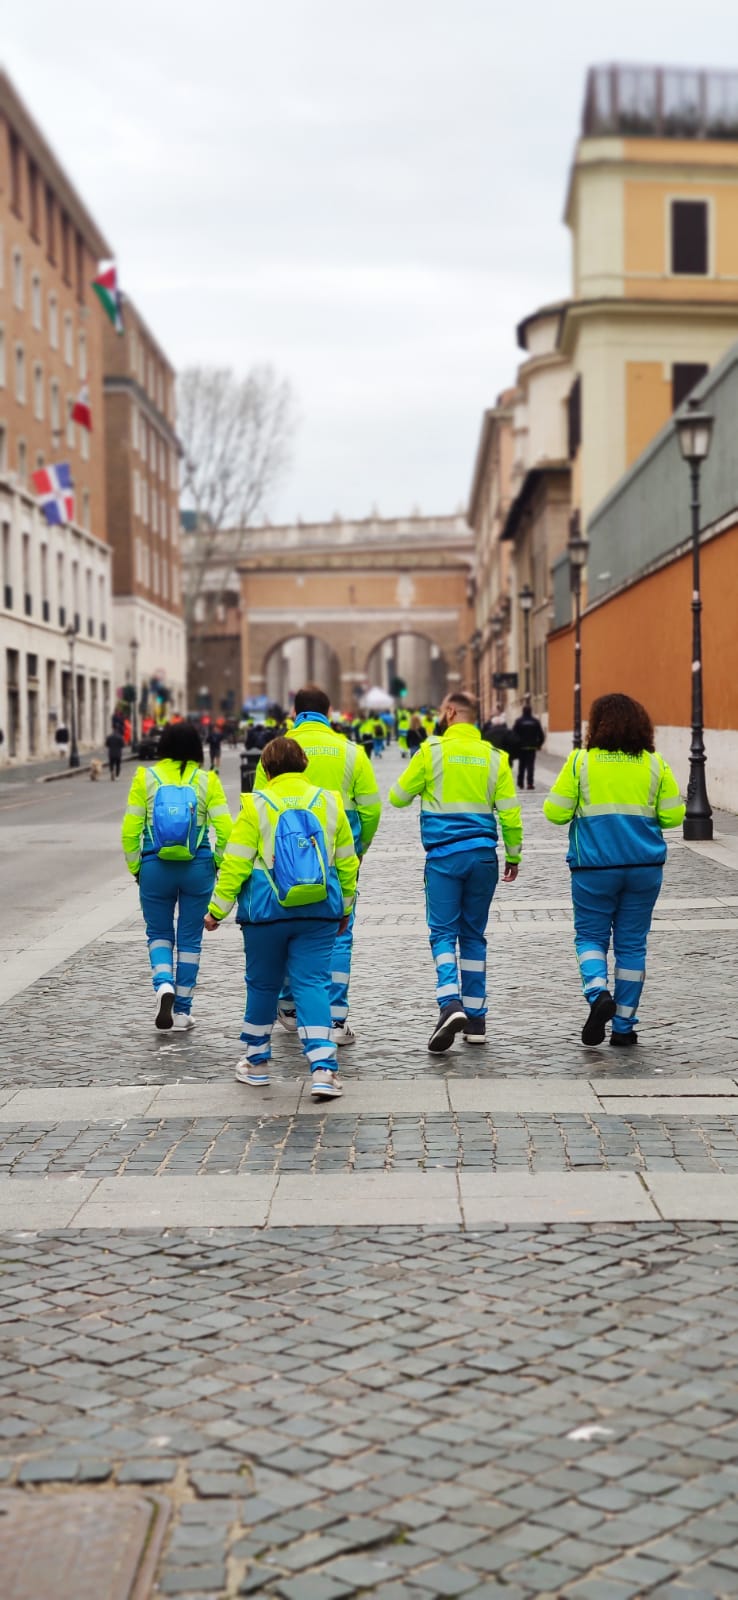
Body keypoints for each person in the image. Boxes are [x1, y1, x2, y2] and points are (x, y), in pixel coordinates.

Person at [205, 737, 359, 1100]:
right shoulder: (329, 802)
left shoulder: (256, 805)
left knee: (262, 985)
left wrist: (216, 910)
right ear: (304, 763)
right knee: (312, 985)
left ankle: (257, 1064)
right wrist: (346, 908)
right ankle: (323, 1070)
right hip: (319, 909)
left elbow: (236, 862)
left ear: (265, 769)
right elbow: (347, 862)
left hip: (266, 913)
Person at [543, 692, 685, 1048]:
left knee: (590, 938)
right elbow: (672, 816)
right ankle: (624, 1028)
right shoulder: (655, 764)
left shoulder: (581, 762)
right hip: (643, 868)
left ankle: (597, 993)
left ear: (597, 725)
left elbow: (554, 812)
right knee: (632, 946)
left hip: (594, 868)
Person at [389, 689, 522, 1052]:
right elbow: (509, 811)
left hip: (445, 857)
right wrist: (513, 854)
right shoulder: (495, 758)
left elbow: (398, 796)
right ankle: (476, 1021)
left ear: (449, 712)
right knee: (474, 936)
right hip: (483, 857)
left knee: (443, 933)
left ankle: (449, 1002)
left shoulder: (432, 753)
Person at [254, 683, 381, 1044]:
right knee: (339, 935)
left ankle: (289, 1008)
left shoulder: (274, 751)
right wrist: (358, 849)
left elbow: (260, 806)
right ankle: (337, 1021)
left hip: (285, 862)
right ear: (329, 713)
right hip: (336, 861)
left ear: (295, 713)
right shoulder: (352, 752)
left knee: (286, 930)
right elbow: (371, 808)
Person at [121, 721, 233, 1031]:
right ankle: (182, 1011)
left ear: (163, 747)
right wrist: (216, 863)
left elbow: (130, 830)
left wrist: (136, 868)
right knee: (190, 939)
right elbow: (226, 830)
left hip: (155, 866)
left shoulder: (145, 777)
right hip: (197, 866)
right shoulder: (208, 780)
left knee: (158, 932)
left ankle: (163, 983)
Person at [512, 701, 544, 790]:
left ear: (523, 711)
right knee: (530, 766)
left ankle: (520, 783)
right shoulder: (535, 722)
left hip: (521, 747)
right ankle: (530, 783)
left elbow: (513, 734)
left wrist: (515, 745)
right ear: (531, 711)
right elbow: (541, 734)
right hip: (532, 747)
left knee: (521, 765)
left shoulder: (519, 721)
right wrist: (539, 744)